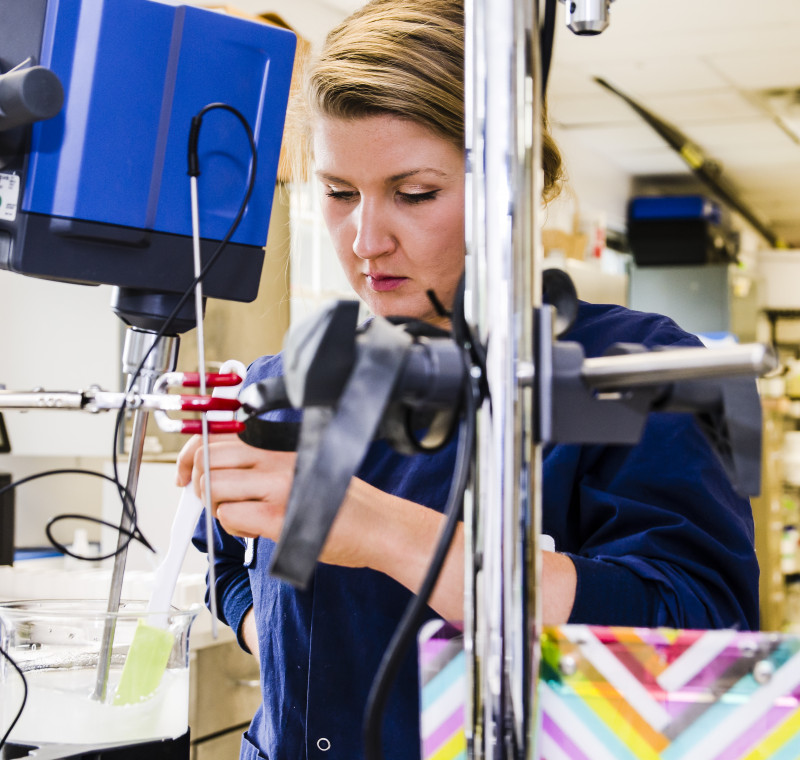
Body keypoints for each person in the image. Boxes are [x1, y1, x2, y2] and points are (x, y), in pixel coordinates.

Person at [178, 1, 759, 757]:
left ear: (507, 187)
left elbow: (697, 643)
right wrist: (277, 642)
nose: (366, 239)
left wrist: (380, 531)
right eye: (339, 192)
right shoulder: (286, 381)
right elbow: (224, 560)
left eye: (414, 193)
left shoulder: (632, 374)